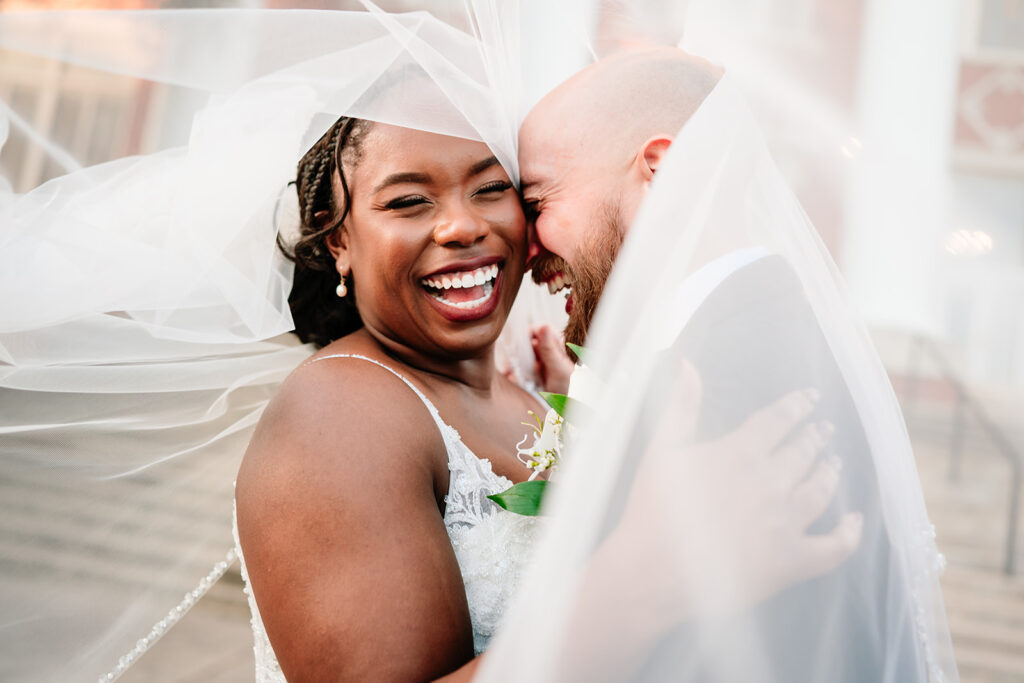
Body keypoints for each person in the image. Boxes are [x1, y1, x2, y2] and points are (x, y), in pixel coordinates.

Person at [482, 46, 954, 681]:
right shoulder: (747, 338)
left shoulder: (730, 387)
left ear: (661, 170)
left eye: (538, 202)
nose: (526, 242)